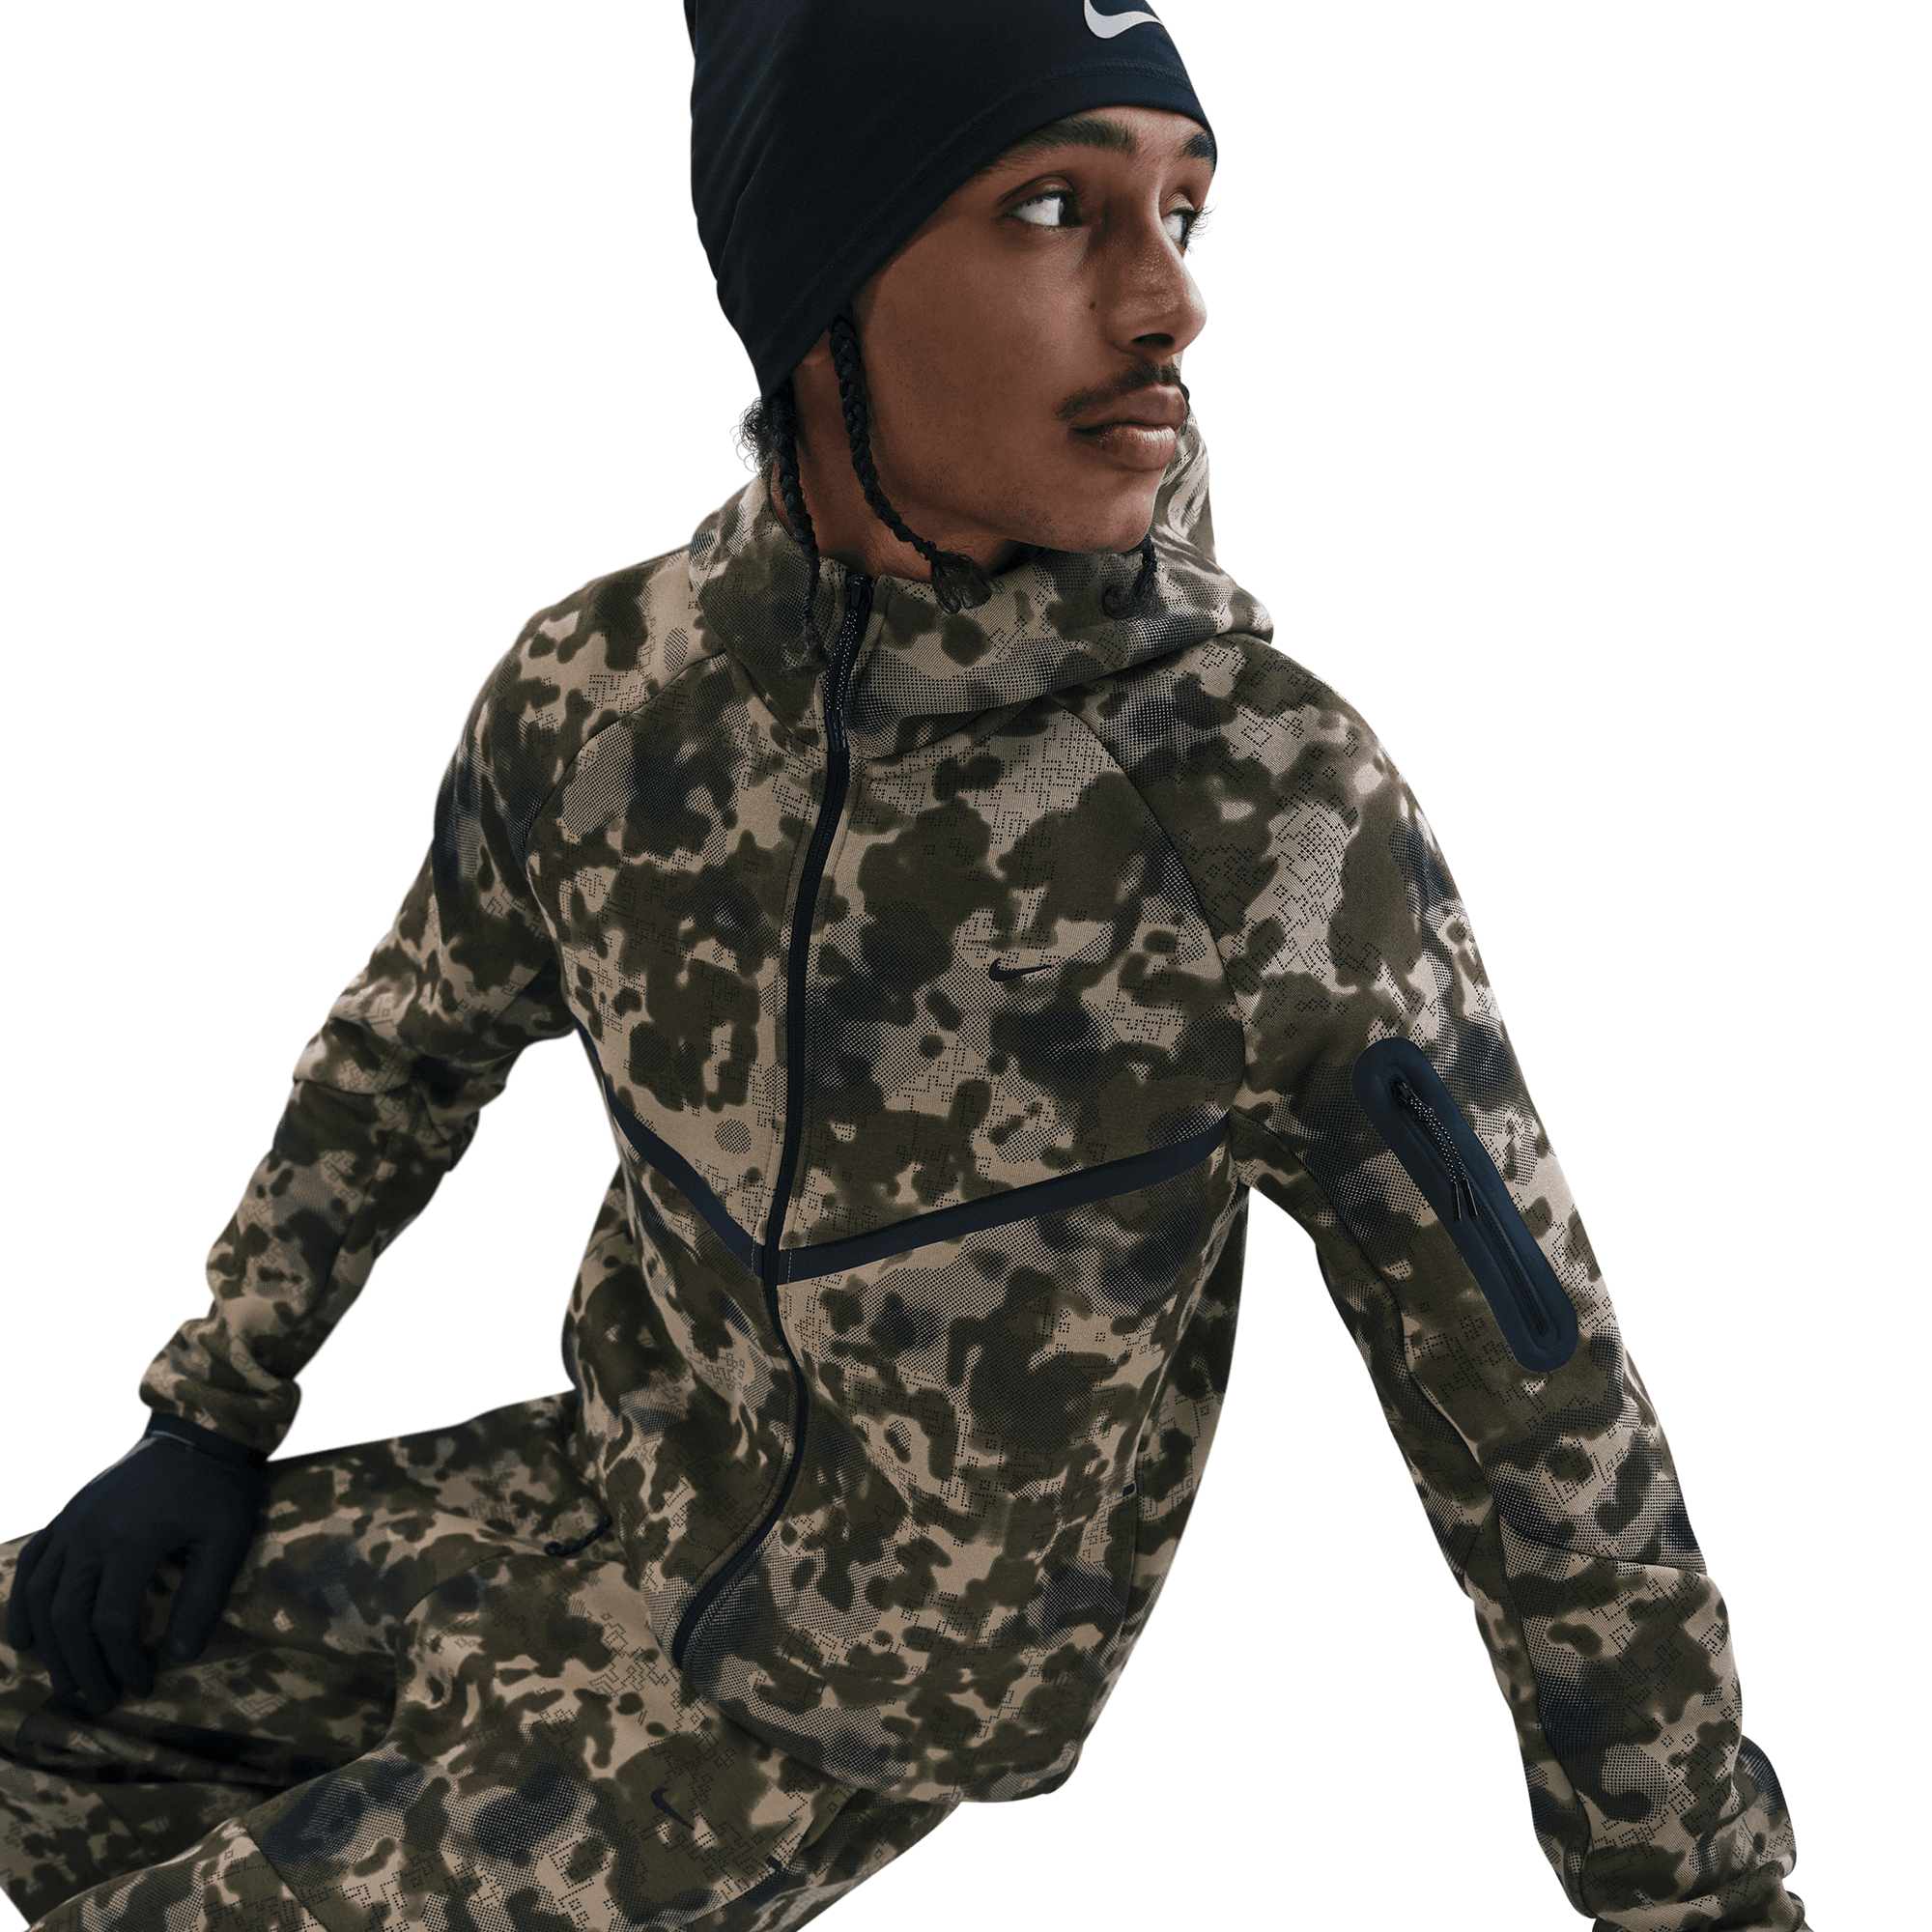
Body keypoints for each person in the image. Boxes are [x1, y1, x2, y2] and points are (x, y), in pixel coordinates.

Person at [0, 5, 1811, 1929]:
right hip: (599, 1500)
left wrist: (1697, 1904)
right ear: (818, 292)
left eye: (1181, 212)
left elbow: (1535, 1417)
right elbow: (407, 1048)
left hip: (857, 1696)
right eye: (1052, 207)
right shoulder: (602, 695)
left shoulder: (1261, 817)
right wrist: (208, 1413)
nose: (1171, 304)